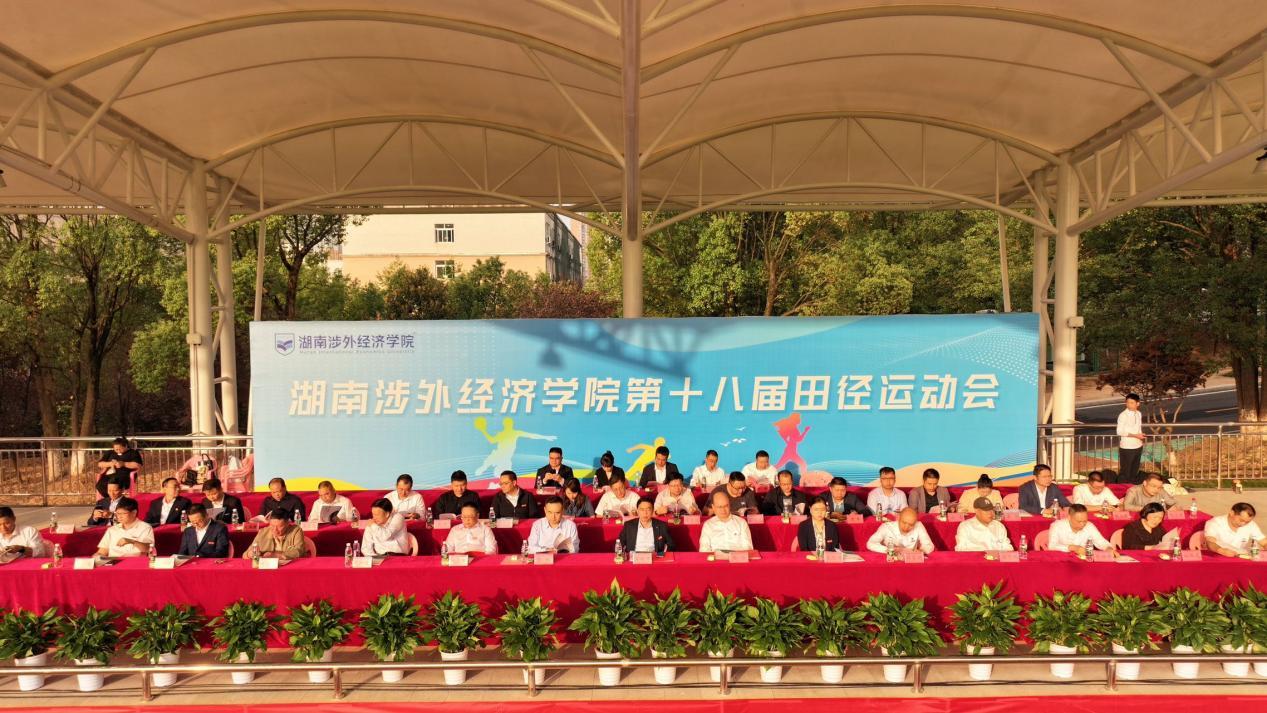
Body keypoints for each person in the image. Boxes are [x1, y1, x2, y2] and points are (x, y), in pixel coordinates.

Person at [1046, 504, 1114, 556]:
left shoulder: (1089, 526)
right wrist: (1072, 548)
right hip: (1062, 560)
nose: (1082, 524)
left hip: (1083, 561)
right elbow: (1052, 546)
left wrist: (1109, 549)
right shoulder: (1057, 525)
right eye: (1079, 521)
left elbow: (1101, 541)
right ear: (1069, 517)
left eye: (1085, 521)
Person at [866, 507, 935, 555]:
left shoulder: (918, 525)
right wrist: (889, 550)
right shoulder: (886, 526)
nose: (906, 527)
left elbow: (929, 545)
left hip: (911, 560)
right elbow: (870, 543)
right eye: (904, 523)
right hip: (891, 559)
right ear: (898, 518)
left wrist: (921, 551)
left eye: (911, 525)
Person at [1116, 393, 1145, 484]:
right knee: (1125, 472)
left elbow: (1138, 428)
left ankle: (1132, 488)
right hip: (1127, 447)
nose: (1129, 405)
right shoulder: (1123, 415)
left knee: (1134, 471)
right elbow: (1119, 431)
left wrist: (1140, 437)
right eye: (1127, 402)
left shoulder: (1139, 413)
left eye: (1132, 403)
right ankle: (1122, 489)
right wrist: (1136, 435)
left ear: (1138, 403)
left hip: (1138, 446)